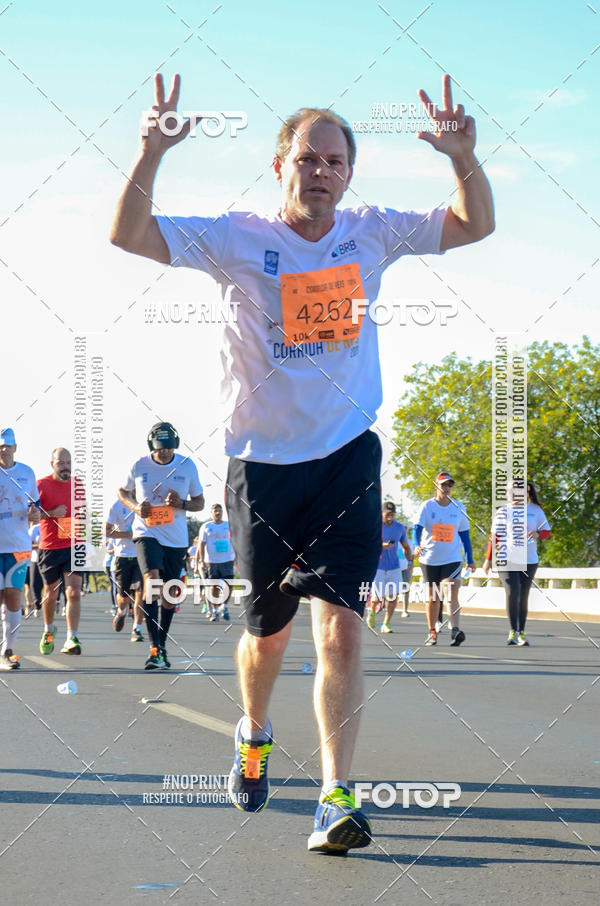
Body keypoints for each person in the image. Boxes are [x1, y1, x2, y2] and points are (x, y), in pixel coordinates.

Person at [110, 71, 494, 852]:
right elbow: (129, 234)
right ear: (280, 165)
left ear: (348, 175)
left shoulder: (374, 231)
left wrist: (464, 159)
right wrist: (149, 151)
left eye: (334, 162)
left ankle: (335, 796)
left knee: (341, 632)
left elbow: (472, 225)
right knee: (270, 632)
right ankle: (253, 733)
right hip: (261, 467)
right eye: (307, 158)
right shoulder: (236, 236)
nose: (320, 172)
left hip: (347, 458)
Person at [118, 422, 204, 669]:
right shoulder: (139, 465)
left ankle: (162, 644)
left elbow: (200, 502)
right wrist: (135, 507)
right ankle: (154, 647)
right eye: (159, 448)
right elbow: (122, 492)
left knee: (170, 594)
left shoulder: (187, 466)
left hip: (175, 539)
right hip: (146, 532)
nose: (164, 452)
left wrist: (182, 504)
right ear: (151, 446)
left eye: (168, 448)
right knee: (152, 581)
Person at [482, 480, 551, 646]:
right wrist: (488, 560)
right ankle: (513, 630)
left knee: (523, 595)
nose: (510, 494)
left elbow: (547, 532)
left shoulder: (535, 510)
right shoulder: (502, 512)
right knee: (513, 591)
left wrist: (537, 534)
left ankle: (521, 632)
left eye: (514, 491)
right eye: (508, 491)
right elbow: (494, 537)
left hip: (529, 560)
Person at [414, 472, 475, 647]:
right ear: (436, 486)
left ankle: (455, 630)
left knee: (450, 591)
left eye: (449, 485)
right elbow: (416, 528)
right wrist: (416, 545)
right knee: (434, 598)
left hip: (452, 558)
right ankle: (432, 632)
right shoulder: (427, 506)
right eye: (443, 485)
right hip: (429, 559)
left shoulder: (458, 507)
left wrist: (470, 559)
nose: (447, 488)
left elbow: (465, 535)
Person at [36, 448, 85, 656]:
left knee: (73, 591)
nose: (65, 467)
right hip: (50, 547)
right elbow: (31, 514)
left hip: (74, 544)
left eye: (68, 462)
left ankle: (71, 637)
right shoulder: (41, 484)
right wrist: (51, 514)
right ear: (52, 464)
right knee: (51, 593)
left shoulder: (78, 485)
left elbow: (81, 509)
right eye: (61, 463)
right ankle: (48, 630)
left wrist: (83, 515)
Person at [0, 428, 40, 669]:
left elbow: (35, 503)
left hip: (19, 546)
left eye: (8, 446)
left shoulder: (26, 472)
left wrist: (34, 513)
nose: (4, 450)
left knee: (14, 597)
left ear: (16, 447)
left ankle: (8, 650)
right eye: (1, 446)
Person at [367, 502, 413, 633]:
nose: (389, 517)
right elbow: (368, 545)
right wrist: (382, 545)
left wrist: (410, 561)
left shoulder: (399, 528)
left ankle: (386, 623)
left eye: (392, 515)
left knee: (393, 596)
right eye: (387, 514)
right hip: (378, 567)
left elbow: (406, 547)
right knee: (377, 597)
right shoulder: (375, 526)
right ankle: (372, 612)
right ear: (381, 513)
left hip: (394, 567)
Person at [105, 499, 145, 642]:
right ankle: (121, 612)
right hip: (122, 557)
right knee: (124, 598)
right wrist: (128, 535)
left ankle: (137, 629)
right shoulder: (116, 506)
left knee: (141, 593)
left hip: (141, 556)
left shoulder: (146, 503)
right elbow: (107, 531)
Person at [198, 503, 235, 622]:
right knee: (214, 586)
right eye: (215, 511)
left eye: (220, 511)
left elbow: (236, 540)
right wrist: (202, 561)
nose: (218, 513)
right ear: (212, 513)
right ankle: (214, 610)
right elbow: (201, 545)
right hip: (212, 561)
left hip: (227, 559)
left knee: (229, 584)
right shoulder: (206, 526)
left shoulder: (228, 525)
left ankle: (224, 606)